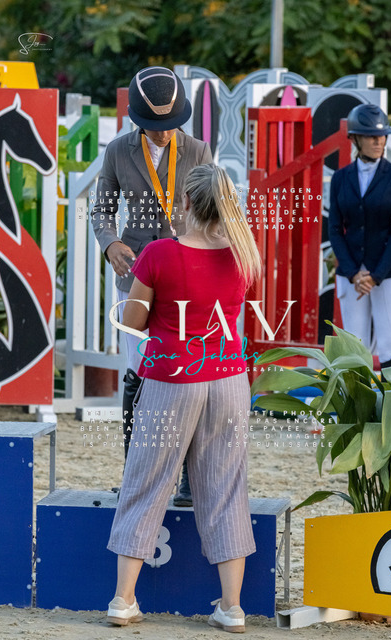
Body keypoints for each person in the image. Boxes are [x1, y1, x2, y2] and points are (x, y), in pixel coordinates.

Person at [106, 163, 262, 633]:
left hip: (173, 378)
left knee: (146, 481)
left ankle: (123, 600)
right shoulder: (244, 253)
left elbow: (132, 322)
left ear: (187, 202)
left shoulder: (159, 253)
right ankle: (231, 607)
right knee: (226, 488)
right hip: (229, 378)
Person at [91, 66, 212, 503]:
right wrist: (110, 244)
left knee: (188, 373)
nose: (164, 133)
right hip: (136, 272)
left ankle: (188, 479)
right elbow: (102, 209)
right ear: (138, 119)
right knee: (139, 372)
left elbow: (211, 210)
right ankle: (135, 475)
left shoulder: (198, 150)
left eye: (170, 124)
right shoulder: (117, 151)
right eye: (155, 126)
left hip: (185, 275)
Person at [328, 103, 391, 372]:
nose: (378, 141)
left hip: (387, 271)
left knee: (388, 346)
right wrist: (353, 273)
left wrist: (375, 276)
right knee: (355, 346)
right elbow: (334, 229)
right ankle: (356, 397)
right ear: (355, 138)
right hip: (351, 272)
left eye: (382, 135)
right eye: (371, 136)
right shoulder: (340, 178)